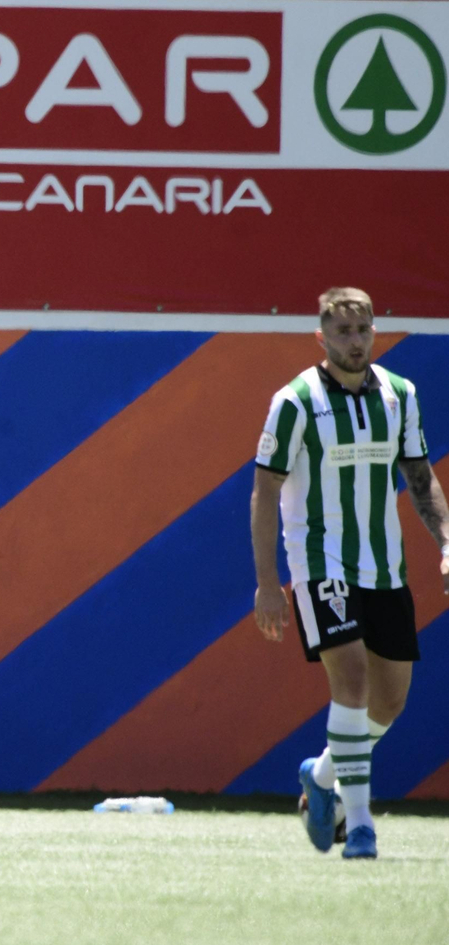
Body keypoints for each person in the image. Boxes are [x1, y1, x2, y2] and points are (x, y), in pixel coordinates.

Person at [252, 287, 449, 860]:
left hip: (384, 565)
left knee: (389, 703)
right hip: (318, 562)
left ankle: (320, 777)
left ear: (374, 332)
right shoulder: (294, 401)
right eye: (343, 332)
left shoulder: (399, 394)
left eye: (363, 330)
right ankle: (359, 825)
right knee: (354, 681)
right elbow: (265, 489)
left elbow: (419, 475)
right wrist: (268, 582)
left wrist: (445, 540)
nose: (355, 341)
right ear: (322, 338)